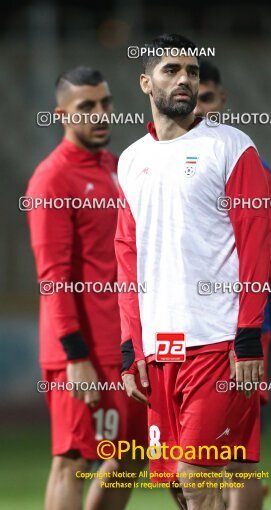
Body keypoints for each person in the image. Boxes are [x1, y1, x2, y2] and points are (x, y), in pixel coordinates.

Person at [115, 34, 271, 510]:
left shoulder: (231, 147)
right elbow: (127, 260)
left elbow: (256, 247)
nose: (185, 78)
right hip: (160, 352)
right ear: (145, 82)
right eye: (171, 70)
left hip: (219, 343)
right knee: (180, 487)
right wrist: (131, 347)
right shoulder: (131, 159)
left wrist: (248, 337)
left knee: (195, 474)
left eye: (193, 72)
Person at [26, 66, 146, 510]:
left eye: (106, 103)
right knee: (73, 459)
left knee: (129, 456)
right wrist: (76, 356)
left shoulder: (118, 169)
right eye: (87, 107)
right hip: (79, 352)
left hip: (123, 346)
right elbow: (52, 276)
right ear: (62, 115)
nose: (101, 114)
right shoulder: (51, 179)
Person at [194, 59, 271, 508]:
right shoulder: (157, 162)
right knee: (190, 459)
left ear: (221, 99)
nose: (196, 108)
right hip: (181, 335)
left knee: (238, 454)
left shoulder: (245, 160)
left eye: (205, 97)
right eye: (190, 98)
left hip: (239, 330)